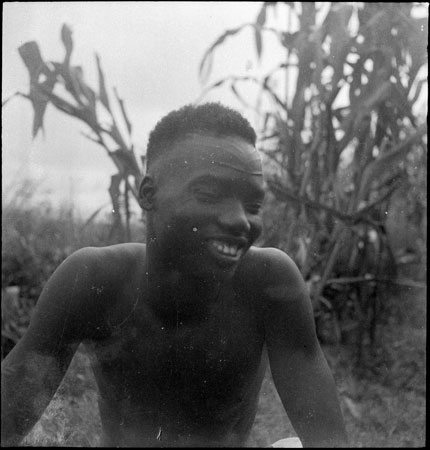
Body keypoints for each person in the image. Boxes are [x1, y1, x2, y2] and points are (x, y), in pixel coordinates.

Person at [1, 103, 348, 447]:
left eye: (253, 205)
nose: (241, 220)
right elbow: (12, 407)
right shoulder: (93, 278)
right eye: (209, 194)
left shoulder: (269, 280)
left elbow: (326, 437)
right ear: (149, 195)